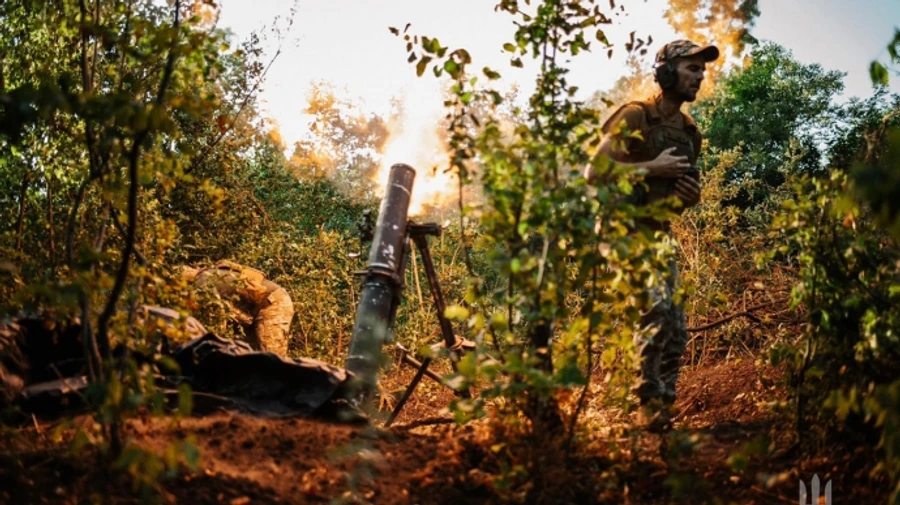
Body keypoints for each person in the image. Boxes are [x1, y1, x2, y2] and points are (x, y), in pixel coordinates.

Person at [585, 40, 719, 430]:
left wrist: (688, 198)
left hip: (657, 232)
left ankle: (662, 407)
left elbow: (673, 198)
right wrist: (651, 168)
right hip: (620, 229)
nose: (700, 76)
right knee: (657, 306)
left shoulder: (690, 133)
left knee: (677, 327)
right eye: (692, 68)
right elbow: (594, 174)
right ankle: (646, 400)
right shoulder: (635, 116)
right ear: (665, 72)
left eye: (702, 70)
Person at [183, 260, 294, 356]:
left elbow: (218, 317)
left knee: (272, 359)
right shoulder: (209, 272)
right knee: (249, 357)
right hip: (257, 308)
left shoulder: (201, 282)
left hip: (274, 303)